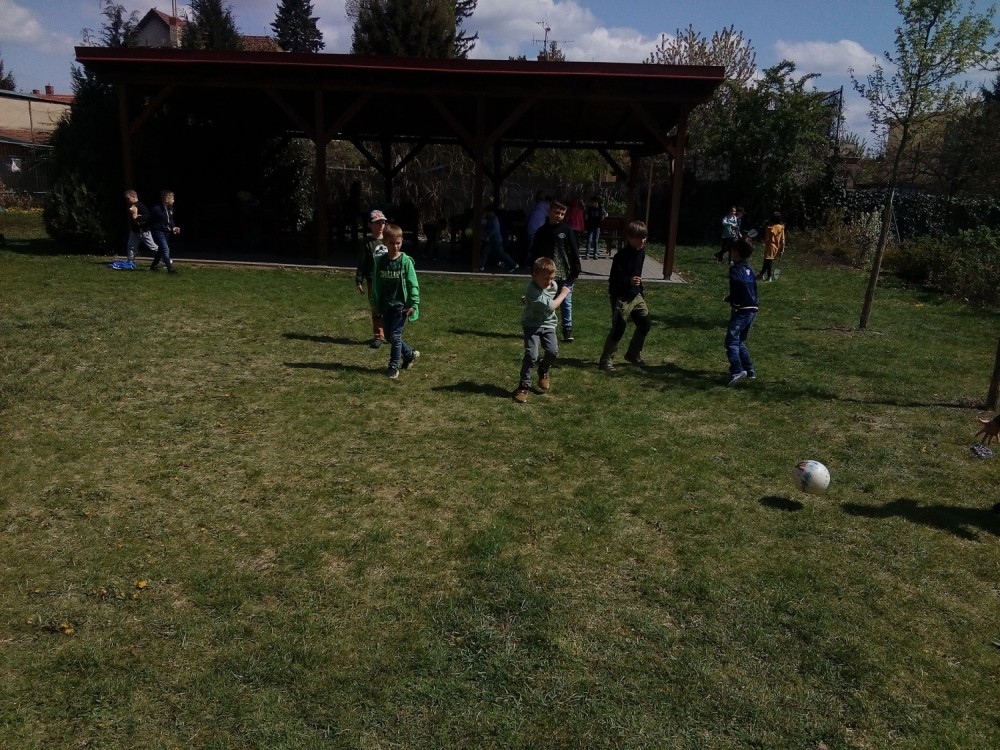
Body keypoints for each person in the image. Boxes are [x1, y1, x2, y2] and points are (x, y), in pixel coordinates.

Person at [513, 256, 572, 403]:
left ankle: (543, 369)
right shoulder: (531, 288)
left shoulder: (553, 286)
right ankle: (524, 386)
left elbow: (545, 298)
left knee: (553, 351)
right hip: (532, 324)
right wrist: (564, 294)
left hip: (548, 324)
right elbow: (551, 306)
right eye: (546, 278)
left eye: (552, 278)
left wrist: (527, 300)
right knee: (531, 355)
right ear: (534, 276)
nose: (549, 282)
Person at [599, 221, 652, 371]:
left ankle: (633, 354)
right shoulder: (621, 256)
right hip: (621, 296)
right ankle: (606, 360)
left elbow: (637, 275)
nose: (642, 241)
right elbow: (613, 279)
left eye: (644, 237)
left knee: (645, 323)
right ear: (629, 238)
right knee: (619, 327)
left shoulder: (641, 253)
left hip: (636, 295)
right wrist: (628, 280)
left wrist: (639, 290)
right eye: (638, 238)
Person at [369, 223, 420, 379]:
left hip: (401, 306)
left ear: (402, 241)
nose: (395, 246)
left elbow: (413, 283)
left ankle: (393, 366)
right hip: (386, 305)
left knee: (395, 336)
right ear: (384, 242)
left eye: (398, 243)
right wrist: (375, 304)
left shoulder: (405, 262)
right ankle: (409, 354)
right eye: (391, 243)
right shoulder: (380, 262)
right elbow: (376, 284)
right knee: (389, 336)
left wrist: (414, 303)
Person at [529, 199, 581, 342]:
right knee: (546, 301)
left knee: (566, 301)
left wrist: (576, 269)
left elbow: (574, 251)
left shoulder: (567, 230)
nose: (559, 216)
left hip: (565, 272)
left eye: (562, 214)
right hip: (546, 274)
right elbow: (534, 252)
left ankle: (567, 329)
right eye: (556, 212)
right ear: (549, 212)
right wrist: (533, 269)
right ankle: (544, 327)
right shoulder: (542, 231)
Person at [723, 237, 759, 386]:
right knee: (741, 341)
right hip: (753, 308)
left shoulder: (735, 269)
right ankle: (749, 371)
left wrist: (735, 303)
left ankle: (737, 370)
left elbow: (737, 284)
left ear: (736, 252)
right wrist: (731, 297)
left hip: (742, 310)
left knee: (731, 341)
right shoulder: (749, 269)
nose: (730, 254)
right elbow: (750, 287)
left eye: (731, 251)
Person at [355, 209, 389, 348]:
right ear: (370, 225)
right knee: (376, 307)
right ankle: (378, 335)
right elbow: (362, 263)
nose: (381, 225)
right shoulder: (366, 242)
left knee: (390, 307)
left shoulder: (389, 239)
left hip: (388, 279)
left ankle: (391, 333)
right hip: (373, 280)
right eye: (377, 223)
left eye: (383, 222)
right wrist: (359, 280)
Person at [479, 205, 519, 272]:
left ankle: (513, 264)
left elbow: (494, 230)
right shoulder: (490, 219)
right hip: (491, 240)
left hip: (496, 240)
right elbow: (484, 226)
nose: (487, 214)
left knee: (501, 253)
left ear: (491, 212)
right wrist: (483, 217)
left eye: (487, 213)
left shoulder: (494, 220)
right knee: (485, 252)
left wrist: (488, 236)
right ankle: (481, 265)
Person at [148, 190, 179, 274]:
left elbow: (170, 220)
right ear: (167, 199)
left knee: (161, 250)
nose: (173, 201)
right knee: (165, 249)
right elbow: (151, 221)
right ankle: (170, 269)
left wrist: (173, 227)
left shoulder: (170, 208)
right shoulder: (157, 209)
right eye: (172, 199)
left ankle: (153, 266)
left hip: (166, 232)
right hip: (158, 232)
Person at [123, 190, 158, 264]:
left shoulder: (140, 205)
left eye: (128, 199)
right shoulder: (131, 206)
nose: (127, 201)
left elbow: (147, 216)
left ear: (134, 197)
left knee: (153, 247)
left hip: (144, 231)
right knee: (131, 246)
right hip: (135, 231)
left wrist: (138, 217)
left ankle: (166, 259)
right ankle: (130, 261)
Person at [759, 211, 785, 282]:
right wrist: (782, 248)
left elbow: (767, 239)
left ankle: (769, 277)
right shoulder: (781, 227)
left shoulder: (769, 228)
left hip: (770, 247)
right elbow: (782, 239)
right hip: (776, 247)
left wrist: (763, 241)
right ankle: (761, 274)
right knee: (766, 260)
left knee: (768, 261)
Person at [584, 195, 608, 260]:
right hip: (590, 226)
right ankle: (587, 254)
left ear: (596, 202)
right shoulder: (589, 208)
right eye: (591, 203)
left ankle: (595, 254)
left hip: (597, 226)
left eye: (592, 202)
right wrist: (586, 216)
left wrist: (603, 216)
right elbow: (586, 216)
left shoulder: (600, 208)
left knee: (596, 240)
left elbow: (606, 214)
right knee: (589, 240)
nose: (591, 204)